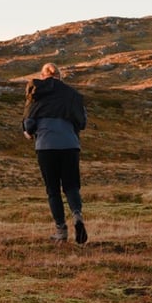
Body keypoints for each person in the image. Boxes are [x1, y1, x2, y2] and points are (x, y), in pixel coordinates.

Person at [22, 63, 88, 244]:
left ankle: (61, 230)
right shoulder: (72, 95)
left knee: (53, 190)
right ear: (60, 76)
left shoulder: (37, 93)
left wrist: (29, 132)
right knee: (71, 186)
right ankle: (77, 214)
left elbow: (29, 123)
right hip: (70, 145)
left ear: (43, 76)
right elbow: (82, 122)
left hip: (46, 146)